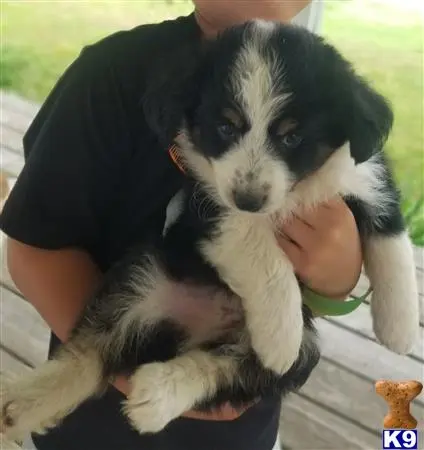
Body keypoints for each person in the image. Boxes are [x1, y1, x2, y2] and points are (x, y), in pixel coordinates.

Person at [0, 1, 362, 449]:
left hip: (244, 430)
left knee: (298, 347)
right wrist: (112, 366)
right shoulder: (112, 73)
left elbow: (323, 271)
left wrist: (338, 281)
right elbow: (36, 247)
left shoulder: (327, 84)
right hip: (101, 432)